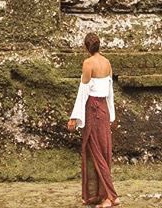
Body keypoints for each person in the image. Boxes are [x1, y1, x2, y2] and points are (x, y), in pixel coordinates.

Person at [67, 32, 119, 208]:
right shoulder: (107, 62)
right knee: (101, 150)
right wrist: (112, 114)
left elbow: (84, 92)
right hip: (103, 108)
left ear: (86, 47)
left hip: (93, 108)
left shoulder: (88, 63)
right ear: (99, 46)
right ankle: (96, 195)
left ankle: (110, 197)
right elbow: (110, 91)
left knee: (95, 150)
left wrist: (74, 117)